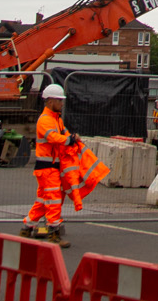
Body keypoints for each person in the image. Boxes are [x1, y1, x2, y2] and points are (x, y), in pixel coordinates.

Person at [22, 84, 108, 244]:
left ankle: (27, 227)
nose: (62, 103)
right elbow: (53, 137)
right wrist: (69, 140)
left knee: (43, 200)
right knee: (54, 199)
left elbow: (63, 134)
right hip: (47, 169)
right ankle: (53, 233)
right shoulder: (45, 120)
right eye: (59, 100)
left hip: (50, 168)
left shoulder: (56, 120)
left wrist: (72, 137)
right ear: (50, 101)